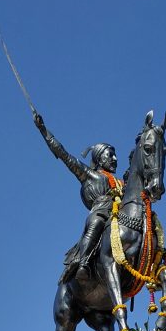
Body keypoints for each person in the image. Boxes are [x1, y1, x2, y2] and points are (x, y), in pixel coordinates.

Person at [34, 113, 122, 284]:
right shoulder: (89, 175)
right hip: (101, 212)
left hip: (119, 215)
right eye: (109, 155)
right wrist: (44, 130)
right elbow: (63, 154)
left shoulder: (121, 183)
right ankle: (83, 263)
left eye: (115, 155)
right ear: (98, 158)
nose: (115, 159)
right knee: (96, 222)